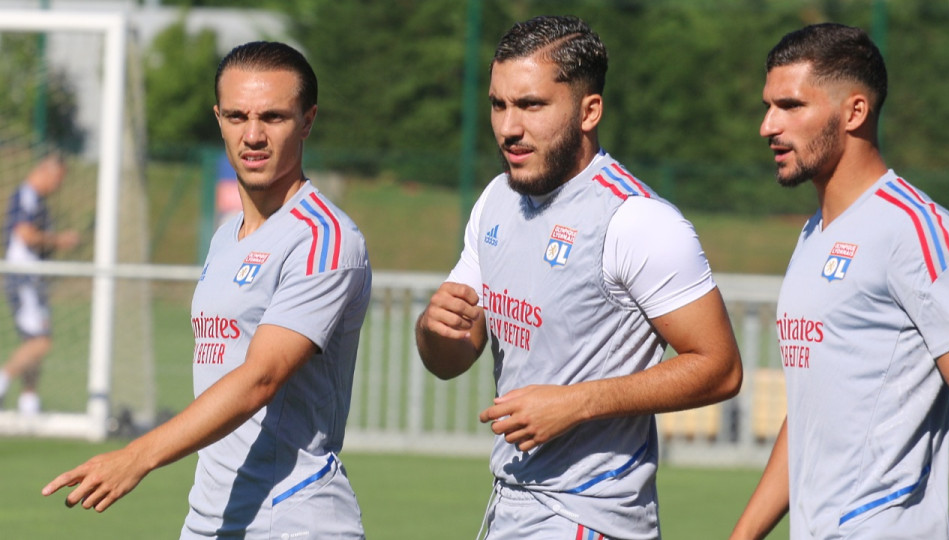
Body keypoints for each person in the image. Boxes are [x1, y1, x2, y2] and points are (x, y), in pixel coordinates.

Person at [415, 15, 742, 540]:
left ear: (589, 111)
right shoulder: (496, 199)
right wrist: (433, 329)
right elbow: (450, 360)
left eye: (531, 105)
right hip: (508, 507)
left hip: (589, 517)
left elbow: (720, 368)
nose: (508, 127)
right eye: (499, 104)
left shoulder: (637, 220)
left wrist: (576, 402)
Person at [42, 41, 371, 539]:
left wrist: (137, 456)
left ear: (307, 121)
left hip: (291, 519)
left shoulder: (323, 238)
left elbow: (261, 378)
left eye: (274, 117)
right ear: (218, 118)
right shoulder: (226, 236)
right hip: (212, 519)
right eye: (237, 116)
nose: (253, 135)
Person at [730, 23, 949, 540]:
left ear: (854, 112)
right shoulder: (814, 234)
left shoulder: (917, 231)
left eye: (790, 106)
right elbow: (813, 414)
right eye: (768, 106)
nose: (768, 125)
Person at [0, 153, 79, 415]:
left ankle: (28, 400)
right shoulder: (27, 195)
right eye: (57, 179)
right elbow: (24, 234)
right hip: (24, 277)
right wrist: (59, 241)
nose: (57, 186)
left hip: (33, 278)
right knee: (41, 342)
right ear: (46, 172)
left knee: (33, 339)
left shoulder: (35, 199)